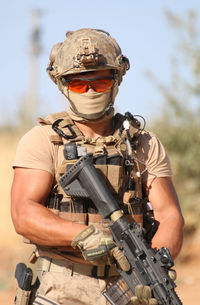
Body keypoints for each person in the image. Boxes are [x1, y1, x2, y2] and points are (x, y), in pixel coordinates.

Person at [11, 28, 184, 305]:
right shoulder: (43, 140)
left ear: (116, 80)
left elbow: (170, 215)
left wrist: (156, 267)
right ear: (62, 84)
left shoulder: (143, 143)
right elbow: (23, 213)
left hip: (129, 286)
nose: (90, 90)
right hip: (62, 285)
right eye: (79, 84)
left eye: (100, 81)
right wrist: (81, 235)